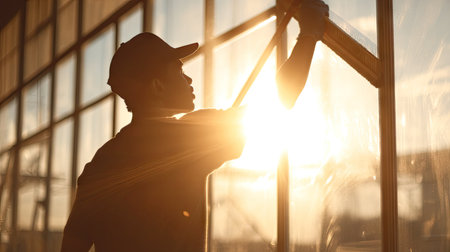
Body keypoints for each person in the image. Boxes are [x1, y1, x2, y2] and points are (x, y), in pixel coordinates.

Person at [61, 0, 328, 251]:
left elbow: (73, 245)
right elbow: (281, 98)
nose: (189, 79)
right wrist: (309, 32)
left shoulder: (100, 163)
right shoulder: (189, 136)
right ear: (157, 86)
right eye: (178, 70)